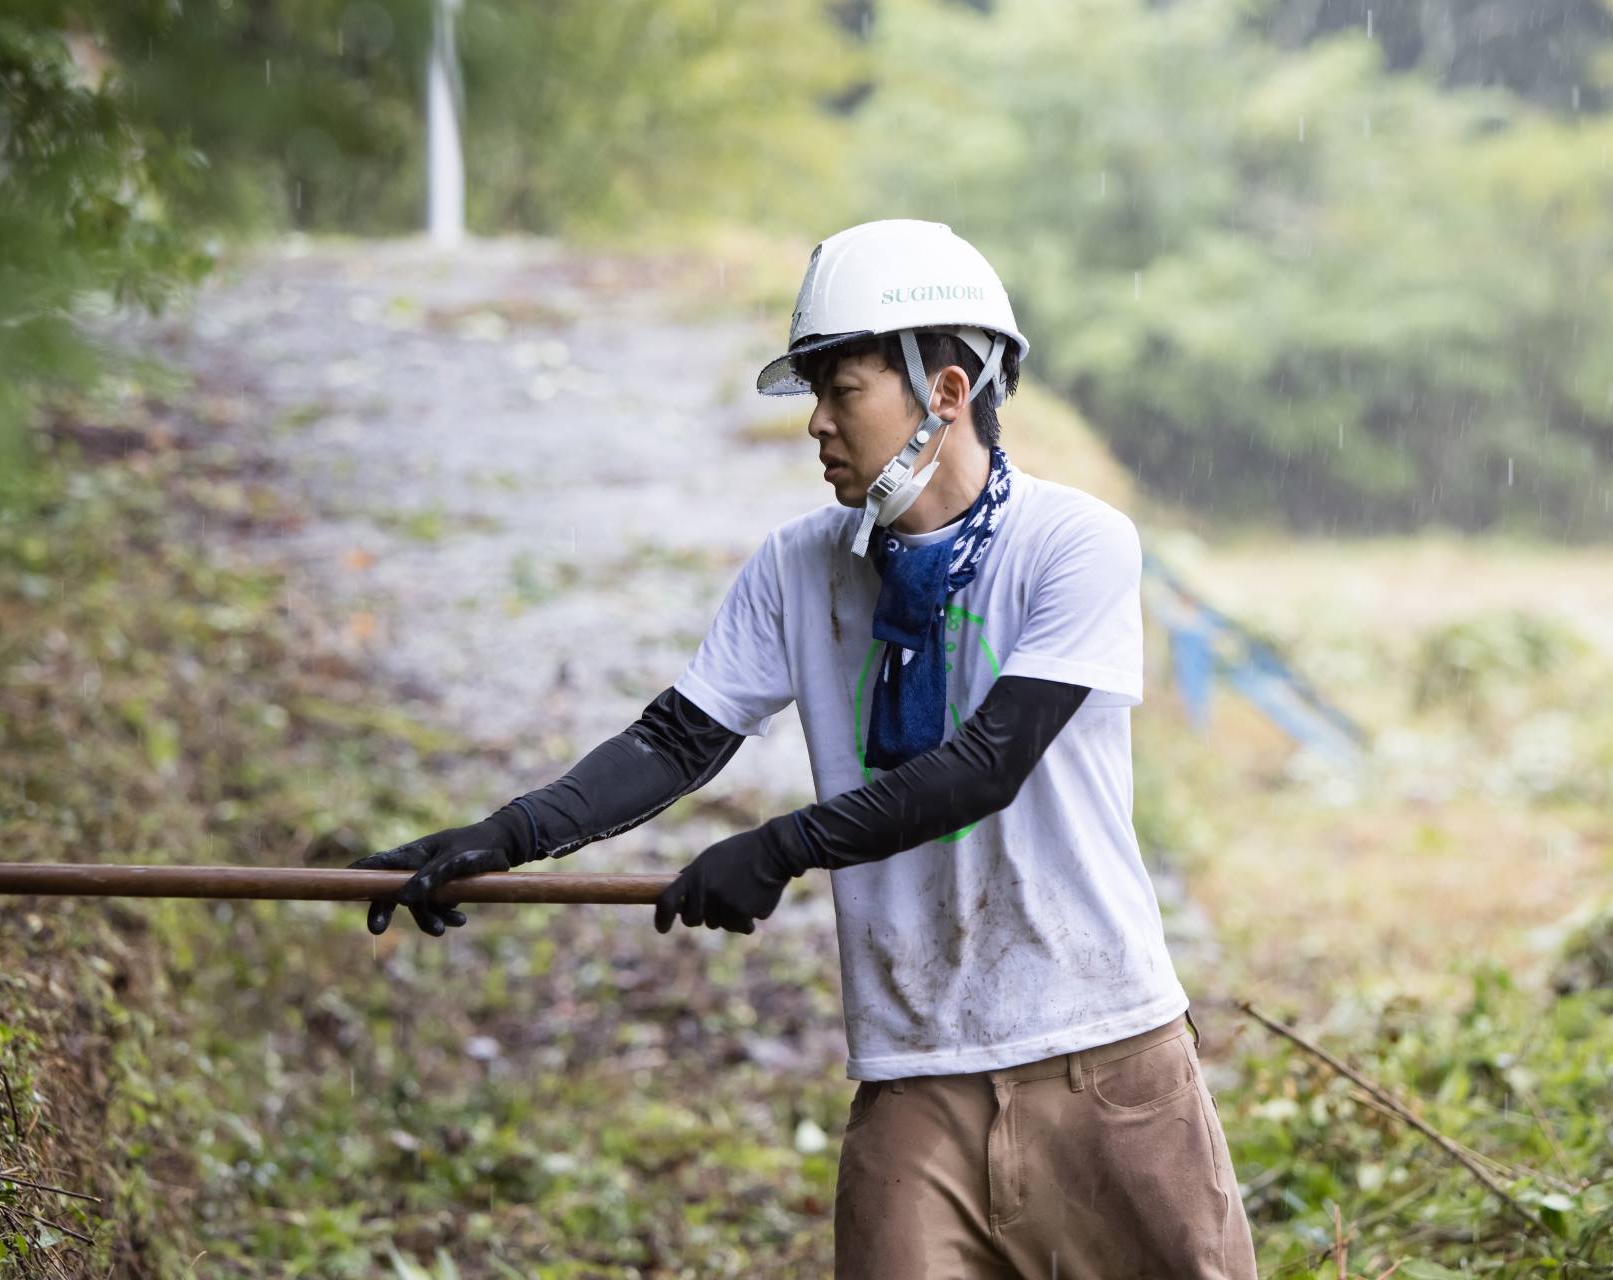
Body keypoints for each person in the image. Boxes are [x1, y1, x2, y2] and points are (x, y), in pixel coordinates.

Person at [346, 219, 1258, 1278]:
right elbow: (674, 739)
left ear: (946, 392)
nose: (816, 422)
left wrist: (780, 847)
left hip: (1102, 1054)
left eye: (843, 390)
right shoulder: (797, 567)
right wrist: (503, 836)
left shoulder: (1074, 543)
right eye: (814, 394)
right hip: (914, 1073)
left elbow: (988, 763)